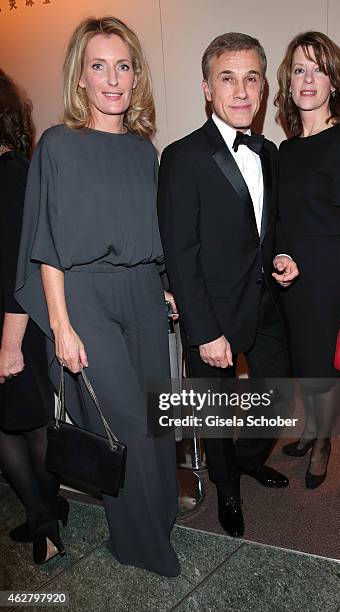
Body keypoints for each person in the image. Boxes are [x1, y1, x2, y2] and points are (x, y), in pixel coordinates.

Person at [15, 16, 180, 576]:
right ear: (79, 78)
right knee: (128, 422)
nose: (113, 78)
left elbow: (154, 238)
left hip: (143, 296)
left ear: (136, 78)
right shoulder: (58, 145)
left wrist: (164, 290)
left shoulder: (144, 153)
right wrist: (61, 325)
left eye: (124, 66)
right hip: (85, 297)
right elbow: (47, 246)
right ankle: (143, 548)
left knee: (158, 419)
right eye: (98, 66)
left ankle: (158, 522)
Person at [157, 32, 298, 538]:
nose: (240, 91)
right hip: (211, 314)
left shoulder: (270, 152)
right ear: (207, 89)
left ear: (262, 89)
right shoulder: (182, 156)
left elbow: (269, 226)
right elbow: (180, 251)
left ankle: (244, 459)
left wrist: (280, 253)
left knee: (281, 396)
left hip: (264, 304)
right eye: (227, 78)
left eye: (251, 79)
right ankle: (227, 488)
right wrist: (204, 330)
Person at [274, 31, 340, 487]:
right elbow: (280, 220)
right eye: (299, 69)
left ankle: (324, 441)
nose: (308, 78)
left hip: (328, 274)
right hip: (289, 275)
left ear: (334, 81)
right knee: (300, 364)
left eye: (318, 68)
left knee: (322, 369)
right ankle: (312, 427)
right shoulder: (286, 150)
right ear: (289, 83)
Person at [0, 69, 69, 565]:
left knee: (19, 425)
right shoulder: (15, 171)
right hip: (14, 320)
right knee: (25, 421)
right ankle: (48, 509)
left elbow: (19, 267)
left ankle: (43, 518)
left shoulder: (9, 175)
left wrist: (7, 344)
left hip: (12, 322)